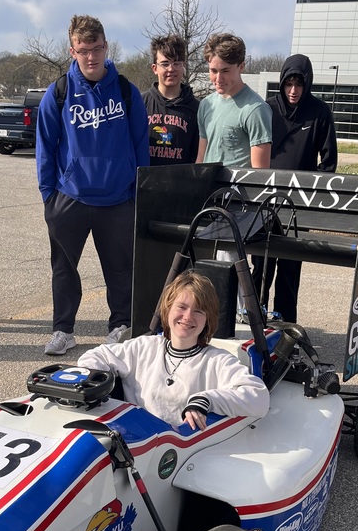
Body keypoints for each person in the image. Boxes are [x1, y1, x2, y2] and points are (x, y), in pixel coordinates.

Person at [36, 15, 149, 357]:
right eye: (83, 50)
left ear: (106, 46)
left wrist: (136, 193)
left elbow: (141, 145)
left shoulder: (127, 92)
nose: (91, 57)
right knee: (64, 269)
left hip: (117, 199)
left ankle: (120, 324)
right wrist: (49, 198)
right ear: (72, 51)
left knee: (119, 269)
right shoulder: (58, 94)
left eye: (97, 48)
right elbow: (45, 146)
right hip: (70, 198)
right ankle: (63, 330)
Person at [77, 270, 269, 430]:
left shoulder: (217, 361)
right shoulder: (143, 346)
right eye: (182, 307)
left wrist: (206, 399)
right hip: (134, 442)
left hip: (182, 458)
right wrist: (94, 383)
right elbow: (93, 357)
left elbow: (259, 397)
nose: (187, 317)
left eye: (198, 311)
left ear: (208, 319)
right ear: (168, 309)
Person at [258, 54, 338, 322]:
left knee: (290, 268)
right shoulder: (266, 109)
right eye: (288, 84)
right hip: (266, 202)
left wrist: (312, 199)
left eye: (299, 84)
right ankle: (256, 321)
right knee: (261, 266)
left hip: (298, 206)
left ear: (308, 85)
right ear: (281, 82)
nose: (293, 91)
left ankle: (284, 324)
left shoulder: (319, 112)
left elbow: (329, 162)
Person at [196, 32, 273, 169]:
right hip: (207, 188)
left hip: (238, 190)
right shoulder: (206, 105)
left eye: (225, 71)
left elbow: (260, 173)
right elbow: (201, 158)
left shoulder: (256, 109)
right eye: (213, 71)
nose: (218, 79)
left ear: (241, 66)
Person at [142, 34, 200, 164]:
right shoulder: (140, 103)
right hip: (145, 182)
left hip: (181, 182)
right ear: (154, 68)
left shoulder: (196, 109)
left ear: (183, 66)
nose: (171, 69)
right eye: (165, 64)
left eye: (176, 63)